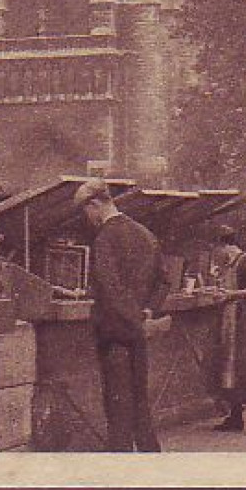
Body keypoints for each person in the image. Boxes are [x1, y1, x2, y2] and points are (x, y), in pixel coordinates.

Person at [74, 179, 167, 452]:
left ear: (94, 205)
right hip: (139, 335)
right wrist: (148, 311)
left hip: (115, 336)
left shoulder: (104, 239)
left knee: (118, 412)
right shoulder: (145, 234)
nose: (87, 219)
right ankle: (155, 472)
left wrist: (132, 321)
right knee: (141, 406)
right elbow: (163, 281)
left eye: (85, 212)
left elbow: (111, 290)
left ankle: (119, 478)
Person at [205, 224, 246, 437]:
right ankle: (234, 417)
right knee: (227, 369)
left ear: (224, 245)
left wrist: (231, 295)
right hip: (228, 322)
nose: (215, 255)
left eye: (215, 250)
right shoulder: (228, 264)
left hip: (245, 324)